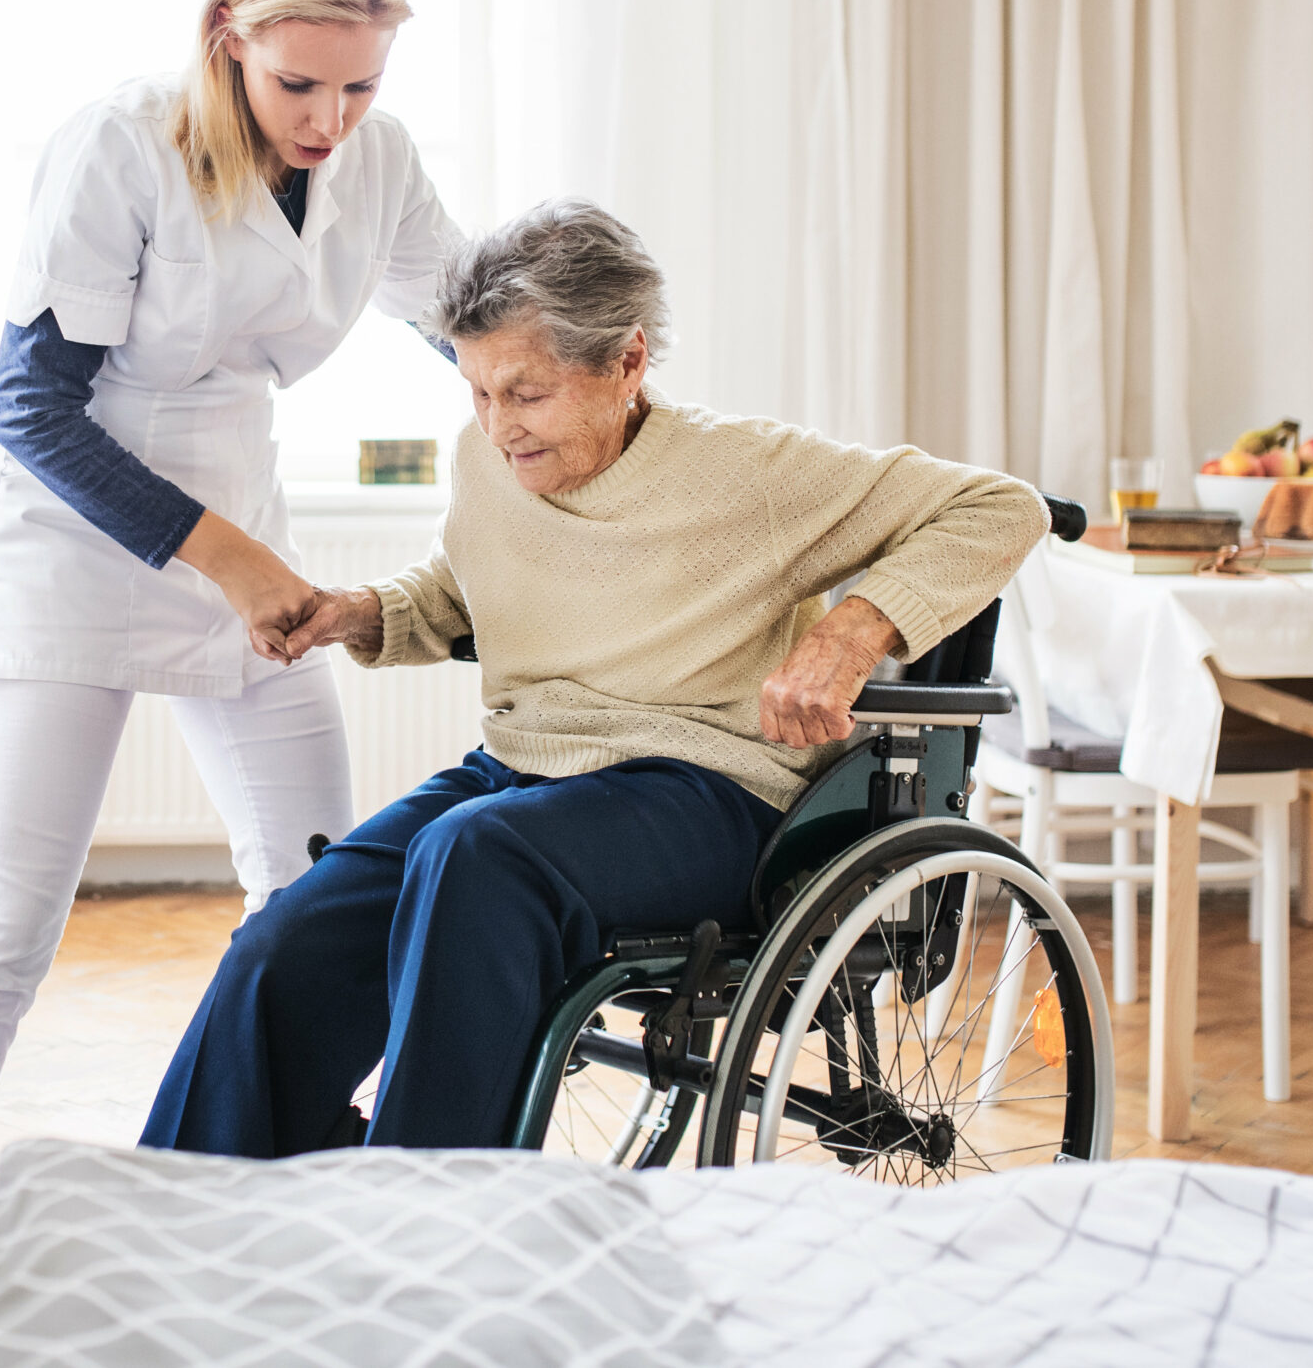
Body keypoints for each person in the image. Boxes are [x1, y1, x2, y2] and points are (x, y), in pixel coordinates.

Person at [140, 199, 1047, 1156]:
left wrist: (855, 631)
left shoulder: (747, 473)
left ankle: (420, 1226)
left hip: (704, 787)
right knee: (292, 938)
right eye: (479, 392)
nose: (498, 427)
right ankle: (182, 1212)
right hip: (525, 776)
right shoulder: (489, 458)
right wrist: (360, 612)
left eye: (525, 394)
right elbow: (467, 587)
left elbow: (1002, 506)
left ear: (626, 362)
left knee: (475, 858)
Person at [0, 0, 463, 1225]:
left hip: (243, 530)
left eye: (362, 83)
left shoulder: (378, 158)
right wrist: (231, 558)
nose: (328, 118)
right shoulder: (119, 147)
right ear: (225, 35)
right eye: (299, 80)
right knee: (5, 931)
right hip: (73, 550)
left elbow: (472, 322)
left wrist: (596, 391)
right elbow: (33, 413)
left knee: (313, 902)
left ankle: (288, 1209)